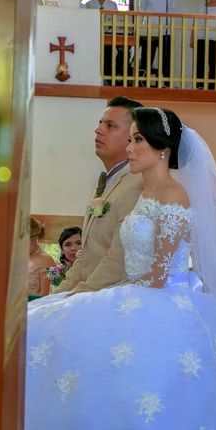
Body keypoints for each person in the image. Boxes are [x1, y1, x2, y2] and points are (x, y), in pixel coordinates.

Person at [25, 107, 216, 430]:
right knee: (41, 316)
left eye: (138, 140)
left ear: (163, 148)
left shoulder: (175, 196)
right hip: (133, 290)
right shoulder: (144, 193)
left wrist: (100, 296)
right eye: (129, 140)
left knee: (64, 326)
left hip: (159, 298)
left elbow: (158, 275)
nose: (129, 148)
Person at [54, 96, 144, 294]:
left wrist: (78, 294)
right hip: (87, 292)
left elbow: (118, 258)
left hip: (109, 296)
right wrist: (57, 294)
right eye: (100, 123)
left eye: (110, 125)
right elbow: (84, 257)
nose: (99, 130)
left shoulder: (137, 184)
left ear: (133, 136)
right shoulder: (102, 185)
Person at [138, 0, 177, 85]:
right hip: (149, 29)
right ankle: (144, 83)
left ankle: (166, 84)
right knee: (147, 57)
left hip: (166, 30)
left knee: (166, 59)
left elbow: (172, 9)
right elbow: (142, 9)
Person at [85, 0, 120, 86]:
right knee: (94, 59)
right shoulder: (89, 4)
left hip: (108, 38)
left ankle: (108, 81)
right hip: (93, 38)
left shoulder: (112, 5)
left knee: (108, 59)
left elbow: (116, 22)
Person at [28, 217, 57, 296]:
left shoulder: (46, 260)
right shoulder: (17, 257)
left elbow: (44, 295)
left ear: (33, 238)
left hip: (34, 307)